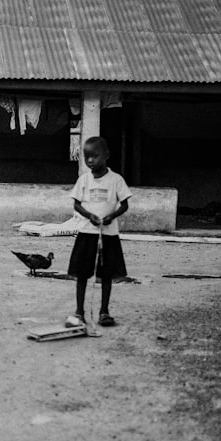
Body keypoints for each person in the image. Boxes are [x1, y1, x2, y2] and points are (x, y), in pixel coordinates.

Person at [66, 137, 131, 328]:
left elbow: (125, 204)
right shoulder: (84, 180)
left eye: (95, 156)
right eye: (87, 157)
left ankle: (104, 312)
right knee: (81, 273)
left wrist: (112, 215)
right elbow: (76, 204)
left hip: (108, 234)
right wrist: (89, 215)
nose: (90, 160)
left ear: (106, 156)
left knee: (107, 274)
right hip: (87, 233)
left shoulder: (116, 180)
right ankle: (79, 312)